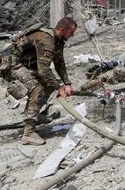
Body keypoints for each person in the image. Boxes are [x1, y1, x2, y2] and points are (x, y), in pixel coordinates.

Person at [7, 17, 77, 145]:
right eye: (71, 32)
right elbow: (44, 71)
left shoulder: (59, 40)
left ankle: (34, 114)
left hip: (28, 64)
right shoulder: (47, 40)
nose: (72, 35)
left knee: (48, 86)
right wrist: (60, 88)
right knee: (37, 90)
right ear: (62, 29)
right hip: (12, 64)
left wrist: (67, 83)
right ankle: (28, 133)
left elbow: (59, 63)